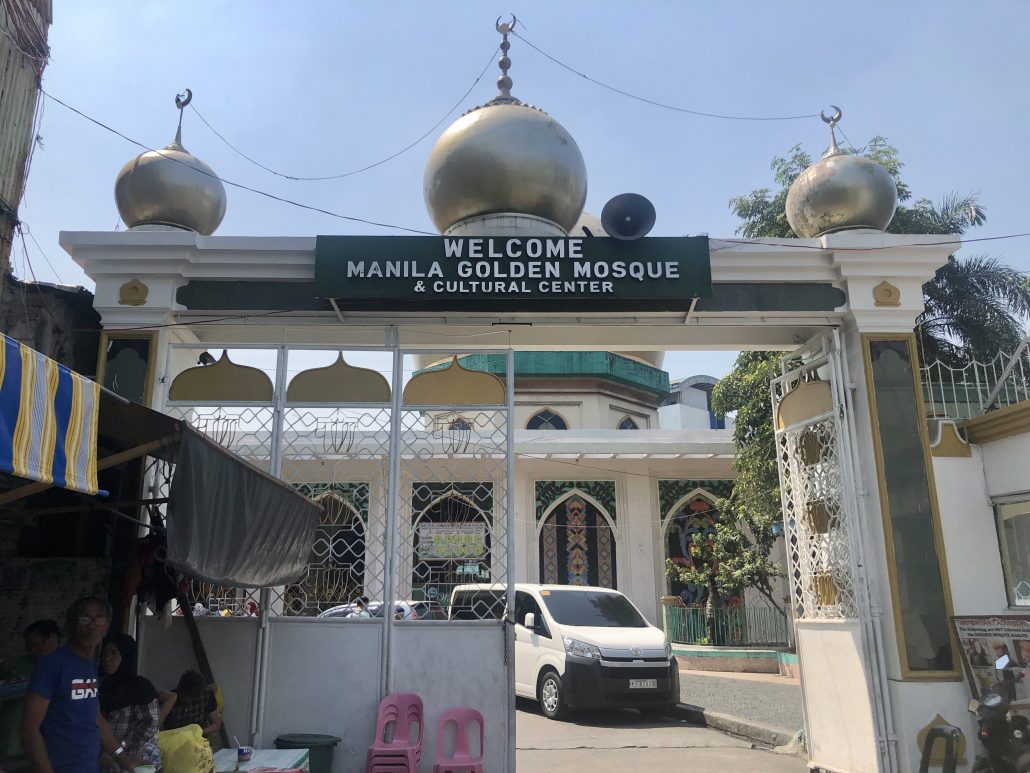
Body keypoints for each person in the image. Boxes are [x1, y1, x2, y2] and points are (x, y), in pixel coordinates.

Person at [22, 597, 138, 772]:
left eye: (98, 619)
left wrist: (124, 761)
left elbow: (96, 719)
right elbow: (30, 728)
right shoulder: (52, 664)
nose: (91, 625)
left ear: (106, 627)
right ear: (71, 624)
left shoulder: (89, 666)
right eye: (84, 618)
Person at [99, 634, 175, 773]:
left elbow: (150, 725)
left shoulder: (140, 688)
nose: (107, 658)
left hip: (126, 763)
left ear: (126, 656)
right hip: (99, 762)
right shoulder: (102, 685)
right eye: (105, 653)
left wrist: (118, 748)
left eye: (114, 653)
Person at [162, 670, 221, 744]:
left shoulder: (207, 695)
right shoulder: (170, 700)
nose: (188, 702)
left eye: (192, 699)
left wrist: (199, 732)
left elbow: (216, 724)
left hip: (199, 737)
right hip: (176, 740)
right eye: (185, 698)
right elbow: (162, 730)